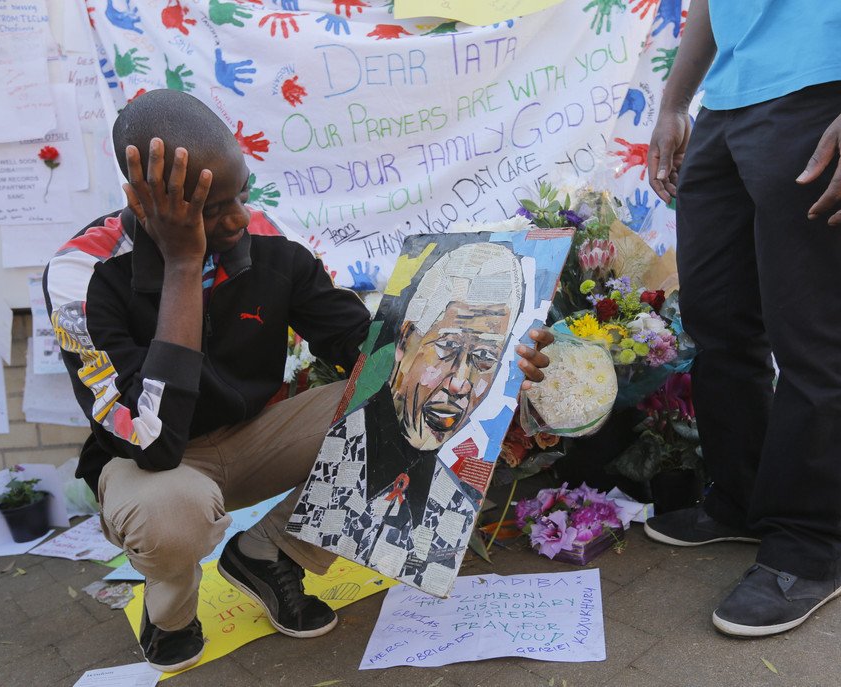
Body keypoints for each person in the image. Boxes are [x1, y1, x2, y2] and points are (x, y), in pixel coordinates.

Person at [43, 89, 552, 672]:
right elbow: (154, 442)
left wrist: (502, 357)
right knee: (173, 514)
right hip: (152, 466)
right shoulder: (82, 274)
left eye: (241, 194)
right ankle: (171, 613)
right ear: (142, 200)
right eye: (211, 209)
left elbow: (373, 353)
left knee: (417, 401)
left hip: (255, 438)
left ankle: (269, 552)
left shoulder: (263, 239)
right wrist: (183, 264)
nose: (238, 219)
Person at [643, 0, 841, 637]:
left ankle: (807, 550)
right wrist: (674, 103)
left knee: (818, 334)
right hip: (729, 97)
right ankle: (742, 502)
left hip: (831, 81)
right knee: (719, 322)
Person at [288, 241, 527, 593]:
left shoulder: (453, 503)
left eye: (484, 358)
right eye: (447, 348)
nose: (460, 383)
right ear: (404, 342)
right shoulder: (337, 458)